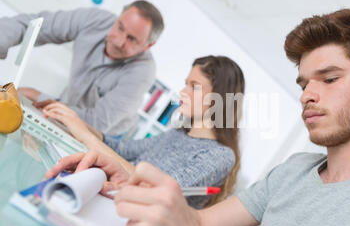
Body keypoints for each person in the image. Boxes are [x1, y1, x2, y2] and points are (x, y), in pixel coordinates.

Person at [47, 9, 350, 226]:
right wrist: (129, 182)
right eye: (304, 82)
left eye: (328, 79)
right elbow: (197, 224)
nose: (307, 93)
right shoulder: (293, 172)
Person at [46, 56, 245, 209]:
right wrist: (76, 122)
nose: (183, 91)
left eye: (194, 86)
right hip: (111, 200)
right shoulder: (177, 134)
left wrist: (86, 136)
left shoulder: (220, 156)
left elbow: (153, 188)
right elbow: (121, 149)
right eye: (186, 83)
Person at [0, 0, 164, 136]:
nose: (118, 41)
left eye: (132, 39)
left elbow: (95, 123)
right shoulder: (96, 19)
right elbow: (35, 25)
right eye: (120, 27)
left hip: (106, 135)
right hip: (67, 105)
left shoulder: (143, 72)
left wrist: (38, 96)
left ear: (148, 46)